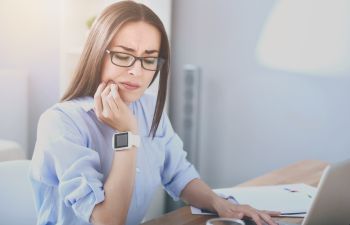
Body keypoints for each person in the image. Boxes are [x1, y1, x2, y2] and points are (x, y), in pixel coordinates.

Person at [30, 1, 280, 225]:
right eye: (123, 56)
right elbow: (108, 221)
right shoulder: (61, 123)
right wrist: (127, 134)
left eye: (149, 60)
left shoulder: (148, 107)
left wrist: (220, 203)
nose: (137, 71)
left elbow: (179, 175)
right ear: (97, 53)